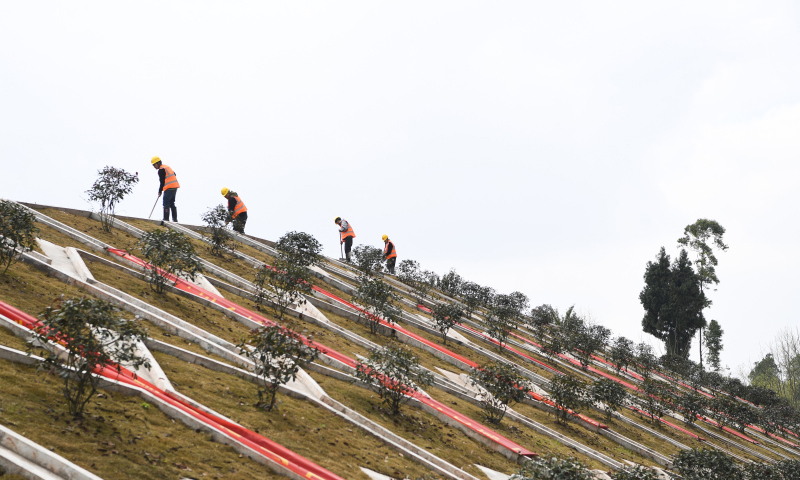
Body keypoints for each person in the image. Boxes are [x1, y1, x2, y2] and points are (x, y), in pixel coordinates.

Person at [151, 156, 179, 222]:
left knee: (166, 203)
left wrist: (160, 191)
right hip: (175, 186)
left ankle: (166, 219)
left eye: (154, 165)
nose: (154, 166)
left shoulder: (161, 170)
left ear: (158, 163)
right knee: (172, 203)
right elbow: (174, 173)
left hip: (169, 188)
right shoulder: (166, 167)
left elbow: (162, 181)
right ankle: (175, 219)